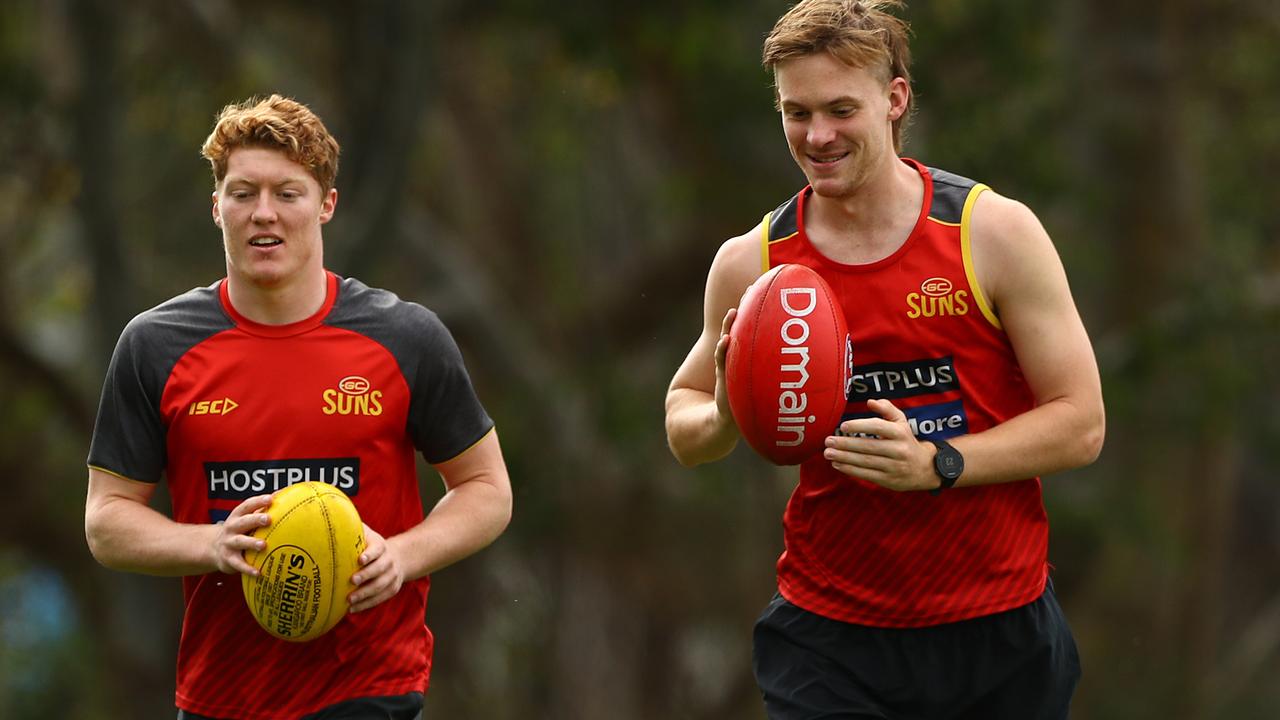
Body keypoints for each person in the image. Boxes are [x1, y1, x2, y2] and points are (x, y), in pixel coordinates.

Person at [664, 1, 1105, 718]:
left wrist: (940, 464)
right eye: (796, 112)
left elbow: (1081, 423)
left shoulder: (990, 234)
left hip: (999, 630)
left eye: (841, 109)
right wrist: (722, 407)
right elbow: (684, 428)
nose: (818, 136)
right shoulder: (756, 263)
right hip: (830, 639)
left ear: (895, 98)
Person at [84, 94, 512, 720]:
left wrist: (401, 557)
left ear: (326, 205)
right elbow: (106, 520)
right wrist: (210, 545)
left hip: (369, 686)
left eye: (288, 193)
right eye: (243, 193)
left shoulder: (405, 337)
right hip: (221, 695)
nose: (265, 214)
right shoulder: (155, 344)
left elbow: (487, 489)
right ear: (216, 207)